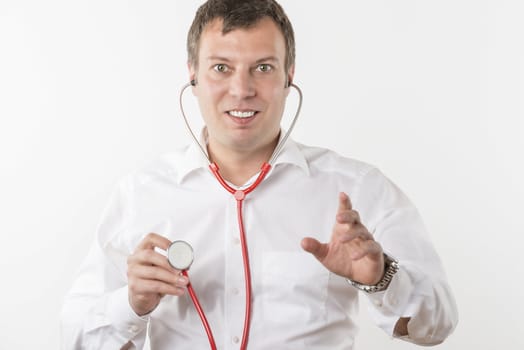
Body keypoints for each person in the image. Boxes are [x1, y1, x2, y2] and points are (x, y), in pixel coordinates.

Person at [61, 0, 458, 349]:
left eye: (263, 68)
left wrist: (382, 277)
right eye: (221, 68)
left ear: (289, 76)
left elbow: (438, 325)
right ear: (192, 76)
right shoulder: (141, 193)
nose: (241, 89)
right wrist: (131, 303)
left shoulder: (357, 189)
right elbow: (74, 338)